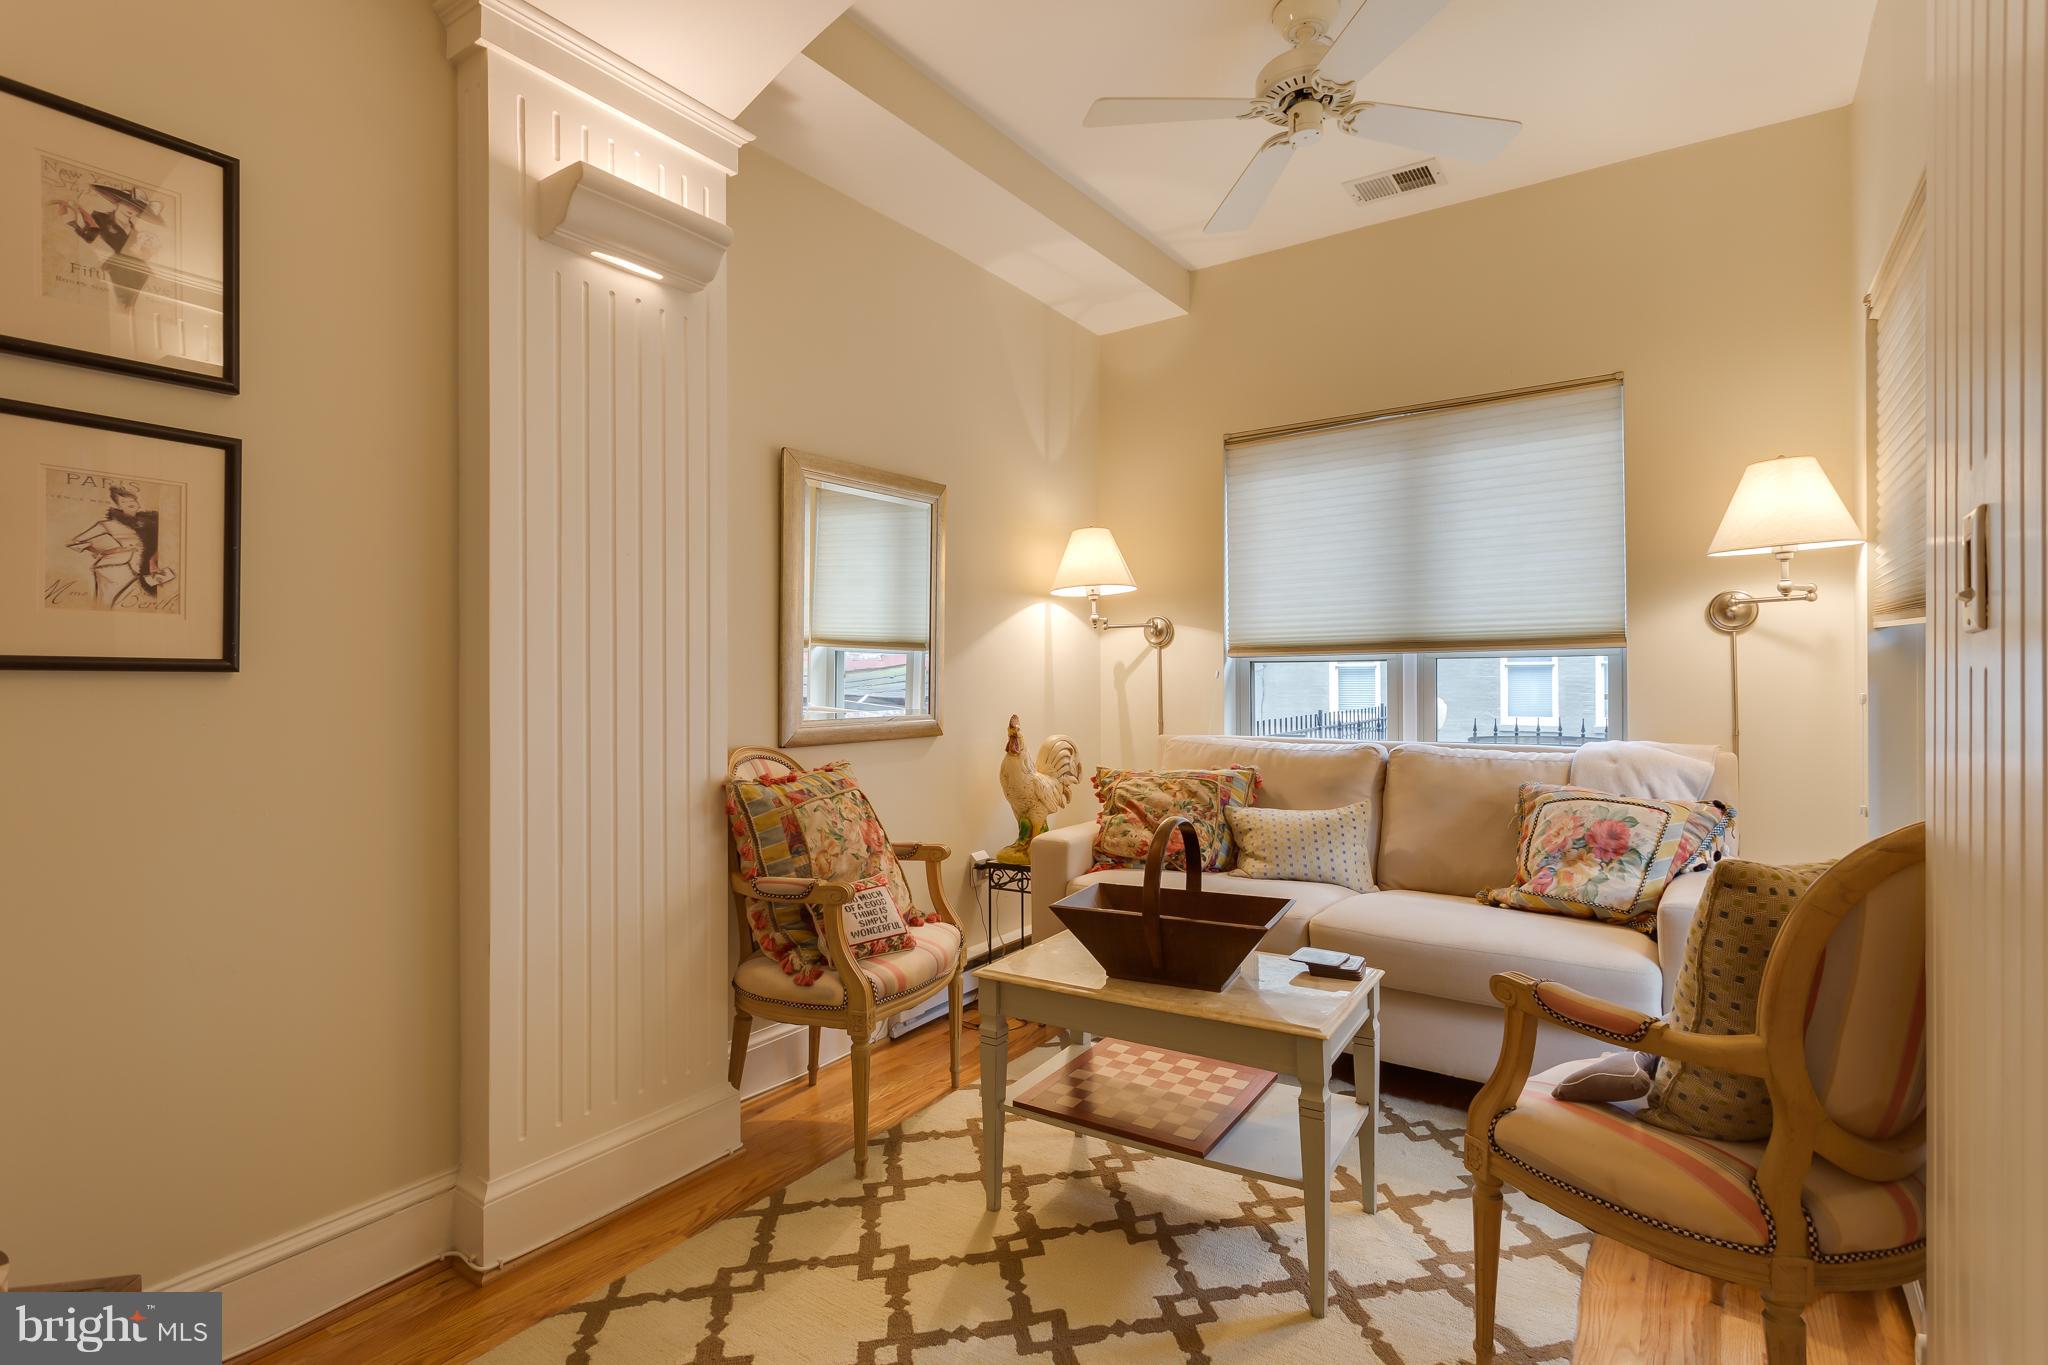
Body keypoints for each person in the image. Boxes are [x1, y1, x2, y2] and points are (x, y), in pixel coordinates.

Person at [67, 483, 174, 609]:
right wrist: (106, 551)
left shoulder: (152, 524)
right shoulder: (107, 524)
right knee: (108, 605)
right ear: (118, 506)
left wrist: (153, 560)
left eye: (132, 500)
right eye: (123, 501)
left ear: (138, 504)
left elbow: (162, 545)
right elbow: (75, 542)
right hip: (114, 568)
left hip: (145, 567)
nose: (129, 503)